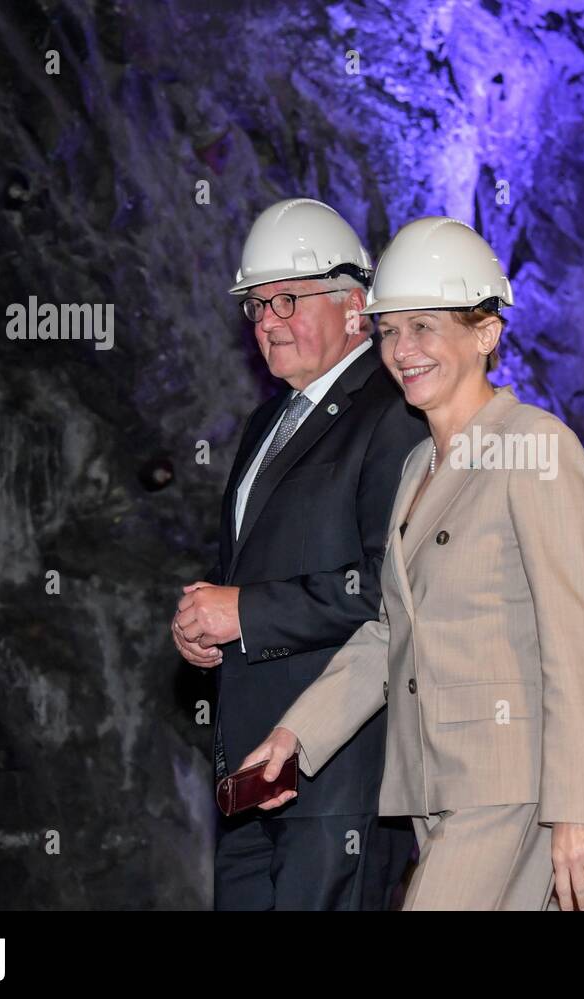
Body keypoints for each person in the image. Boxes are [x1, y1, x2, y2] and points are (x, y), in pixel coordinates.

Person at [238, 216, 584, 910]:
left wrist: (577, 810)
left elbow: (577, 638)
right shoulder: (417, 466)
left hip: (511, 789)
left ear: (485, 333)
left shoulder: (534, 445)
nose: (401, 349)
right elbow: (389, 628)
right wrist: (299, 732)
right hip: (434, 786)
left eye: (424, 326)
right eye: (388, 330)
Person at [170, 198, 426, 910]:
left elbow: (391, 590)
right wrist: (207, 628)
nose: (267, 321)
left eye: (288, 298)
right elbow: (251, 575)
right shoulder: (263, 425)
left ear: (354, 304)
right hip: (251, 768)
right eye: (255, 305)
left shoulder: (394, 413)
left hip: (338, 766)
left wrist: (245, 612)